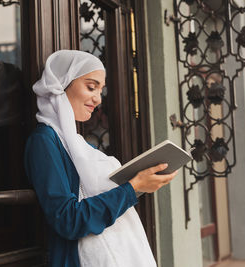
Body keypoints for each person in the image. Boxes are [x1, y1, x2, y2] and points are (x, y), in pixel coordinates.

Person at [24, 50, 178, 267]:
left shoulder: (78, 145)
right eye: (91, 86)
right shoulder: (44, 141)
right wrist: (132, 189)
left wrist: (141, 183)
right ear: (61, 85)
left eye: (100, 89)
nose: (97, 98)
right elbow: (68, 219)